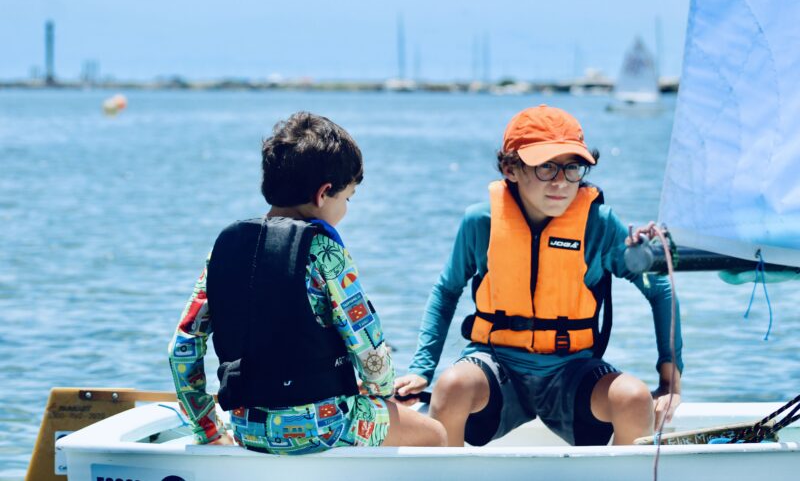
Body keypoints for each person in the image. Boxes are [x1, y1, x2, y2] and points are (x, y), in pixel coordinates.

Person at [394, 104, 682, 446]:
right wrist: (421, 369)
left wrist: (669, 380)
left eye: (572, 167)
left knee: (634, 398)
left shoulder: (600, 224)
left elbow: (659, 288)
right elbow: (446, 291)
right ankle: (445, 470)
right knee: (451, 386)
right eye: (546, 166)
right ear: (510, 168)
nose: (560, 182)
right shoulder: (480, 222)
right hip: (497, 367)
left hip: (572, 372)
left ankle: (619, 471)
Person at [169, 111, 445, 454]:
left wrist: (208, 429)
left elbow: (182, 350)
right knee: (435, 435)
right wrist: (382, 393)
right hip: (325, 428)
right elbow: (369, 348)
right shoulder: (325, 252)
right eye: (347, 198)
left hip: (246, 428)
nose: (346, 208)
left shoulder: (224, 250)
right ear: (324, 193)